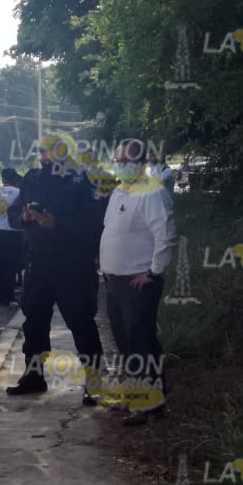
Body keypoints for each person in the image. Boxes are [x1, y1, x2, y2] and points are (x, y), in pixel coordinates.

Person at [5, 136, 106, 399]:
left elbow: (94, 220)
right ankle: (34, 375)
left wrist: (58, 224)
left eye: (47, 150)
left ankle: (94, 382)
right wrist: (25, 217)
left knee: (81, 322)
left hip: (72, 263)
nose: (42, 154)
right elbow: (13, 214)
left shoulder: (82, 180)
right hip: (38, 263)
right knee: (35, 323)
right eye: (39, 150)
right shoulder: (32, 179)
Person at [100, 139, 177, 425]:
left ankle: (152, 404)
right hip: (115, 282)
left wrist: (154, 272)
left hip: (139, 283)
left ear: (141, 162)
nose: (120, 165)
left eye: (126, 161)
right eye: (117, 160)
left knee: (141, 341)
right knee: (125, 341)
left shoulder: (152, 192)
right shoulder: (120, 191)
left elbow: (165, 235)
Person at [0, 168, 23, 305]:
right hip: (14, 232)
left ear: (3, 179)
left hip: (0, 233)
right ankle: (8, 297)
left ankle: (4, 295)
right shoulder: (19, 193)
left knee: (4, 265)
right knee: (12, 265)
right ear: (15, 178)